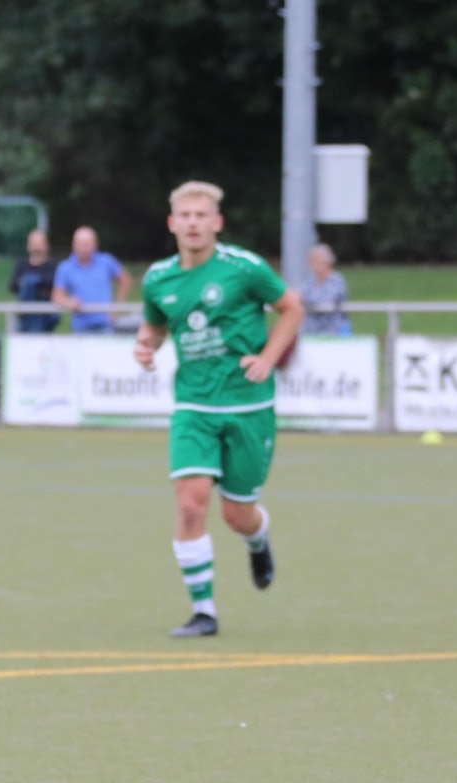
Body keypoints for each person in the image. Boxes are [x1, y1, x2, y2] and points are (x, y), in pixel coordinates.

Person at [135, 181, 304, 638]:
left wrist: (268, 358)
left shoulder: (244, 268)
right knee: (191, 505)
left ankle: (258, 538)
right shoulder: (158, 279)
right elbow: (154, 327)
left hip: (249, 405)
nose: (192, 223)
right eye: (184, 215)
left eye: (200, 215)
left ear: (216, 223)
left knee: (237, 514)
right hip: (193, 405)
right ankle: (204, 611)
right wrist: (146, 346)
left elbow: (291, 308)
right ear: (172, 224)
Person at [52, 226, 130, 334]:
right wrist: (69, 302)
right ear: (74, 245)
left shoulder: (106, 261)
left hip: (106, 324)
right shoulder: (65, 268)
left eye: (87, 244)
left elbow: (125, 280)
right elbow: (57, 296)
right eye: (81, 244)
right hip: (80, 326)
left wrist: (118, 306)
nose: (84, 248)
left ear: (95, 244)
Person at [8, 229, 59, 333]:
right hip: (25, 316)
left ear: (46, 245)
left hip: (46, 316)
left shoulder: (53, 266)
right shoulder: (22, 265)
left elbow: (56, 285)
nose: (36, 247)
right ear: (28, 246)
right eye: (34, 244)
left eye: (39, 244)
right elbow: (12, 286)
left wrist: (36, 282)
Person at [299, 243, 351, 336]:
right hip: (311, 331)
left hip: (333, 331)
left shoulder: (337, 280)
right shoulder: (311, 281)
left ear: (327, 262)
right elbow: (300, 297)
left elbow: (326, 300)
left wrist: (303, 299)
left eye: (317, 261)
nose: (313, 265)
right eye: (312, 261)